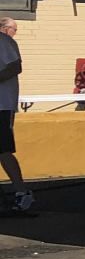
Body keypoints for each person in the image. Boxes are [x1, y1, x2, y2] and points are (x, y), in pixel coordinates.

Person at [0, 17, 32, 214]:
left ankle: (22, 192)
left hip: (2, 105)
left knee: (3, 150)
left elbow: (15, 66)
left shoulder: (5, 42)